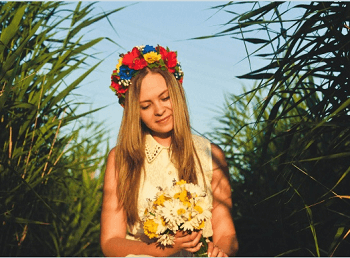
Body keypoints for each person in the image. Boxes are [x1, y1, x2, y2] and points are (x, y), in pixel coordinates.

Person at [100, 45, 238, 257]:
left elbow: (227, 232)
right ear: (134, 112)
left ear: (178, 93)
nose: (159, 110)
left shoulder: (211, 155)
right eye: (145, 106)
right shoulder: (121, 158)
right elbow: (110, 242)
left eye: (165, 98)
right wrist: (158, 250)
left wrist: (221, 252)